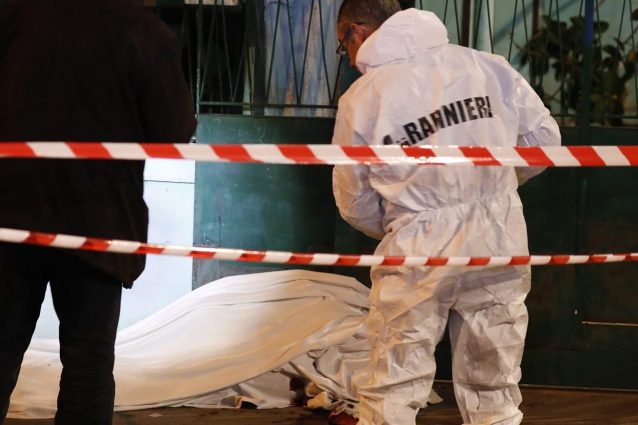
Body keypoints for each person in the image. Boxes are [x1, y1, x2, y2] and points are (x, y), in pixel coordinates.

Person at [332, 1, 561, 425]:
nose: (347, 58)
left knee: (394, 381)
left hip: (417, 242)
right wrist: (492, 186)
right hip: (498, 231)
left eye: (342, 45)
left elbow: (354, 199)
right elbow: (544, 140)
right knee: (494, 381)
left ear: (357, 31)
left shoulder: (363, 97)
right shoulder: (488, 66)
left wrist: (405, 219)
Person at [0, 0, 196, 423]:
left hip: (10, 216)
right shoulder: (143, 31)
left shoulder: (15, 16)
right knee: (87, 365)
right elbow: (174, 132)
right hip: (97, 220)